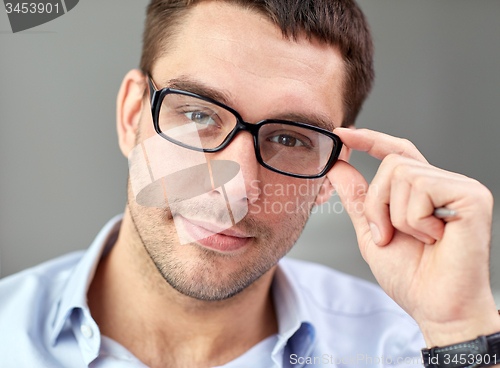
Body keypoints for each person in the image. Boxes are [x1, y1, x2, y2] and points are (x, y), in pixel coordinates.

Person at [1, 0, 499, 367]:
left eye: (290, 138)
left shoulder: (417, 348)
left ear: (331, 172)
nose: (233, 191)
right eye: (198, 115)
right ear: (134, 114)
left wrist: (460, 329)